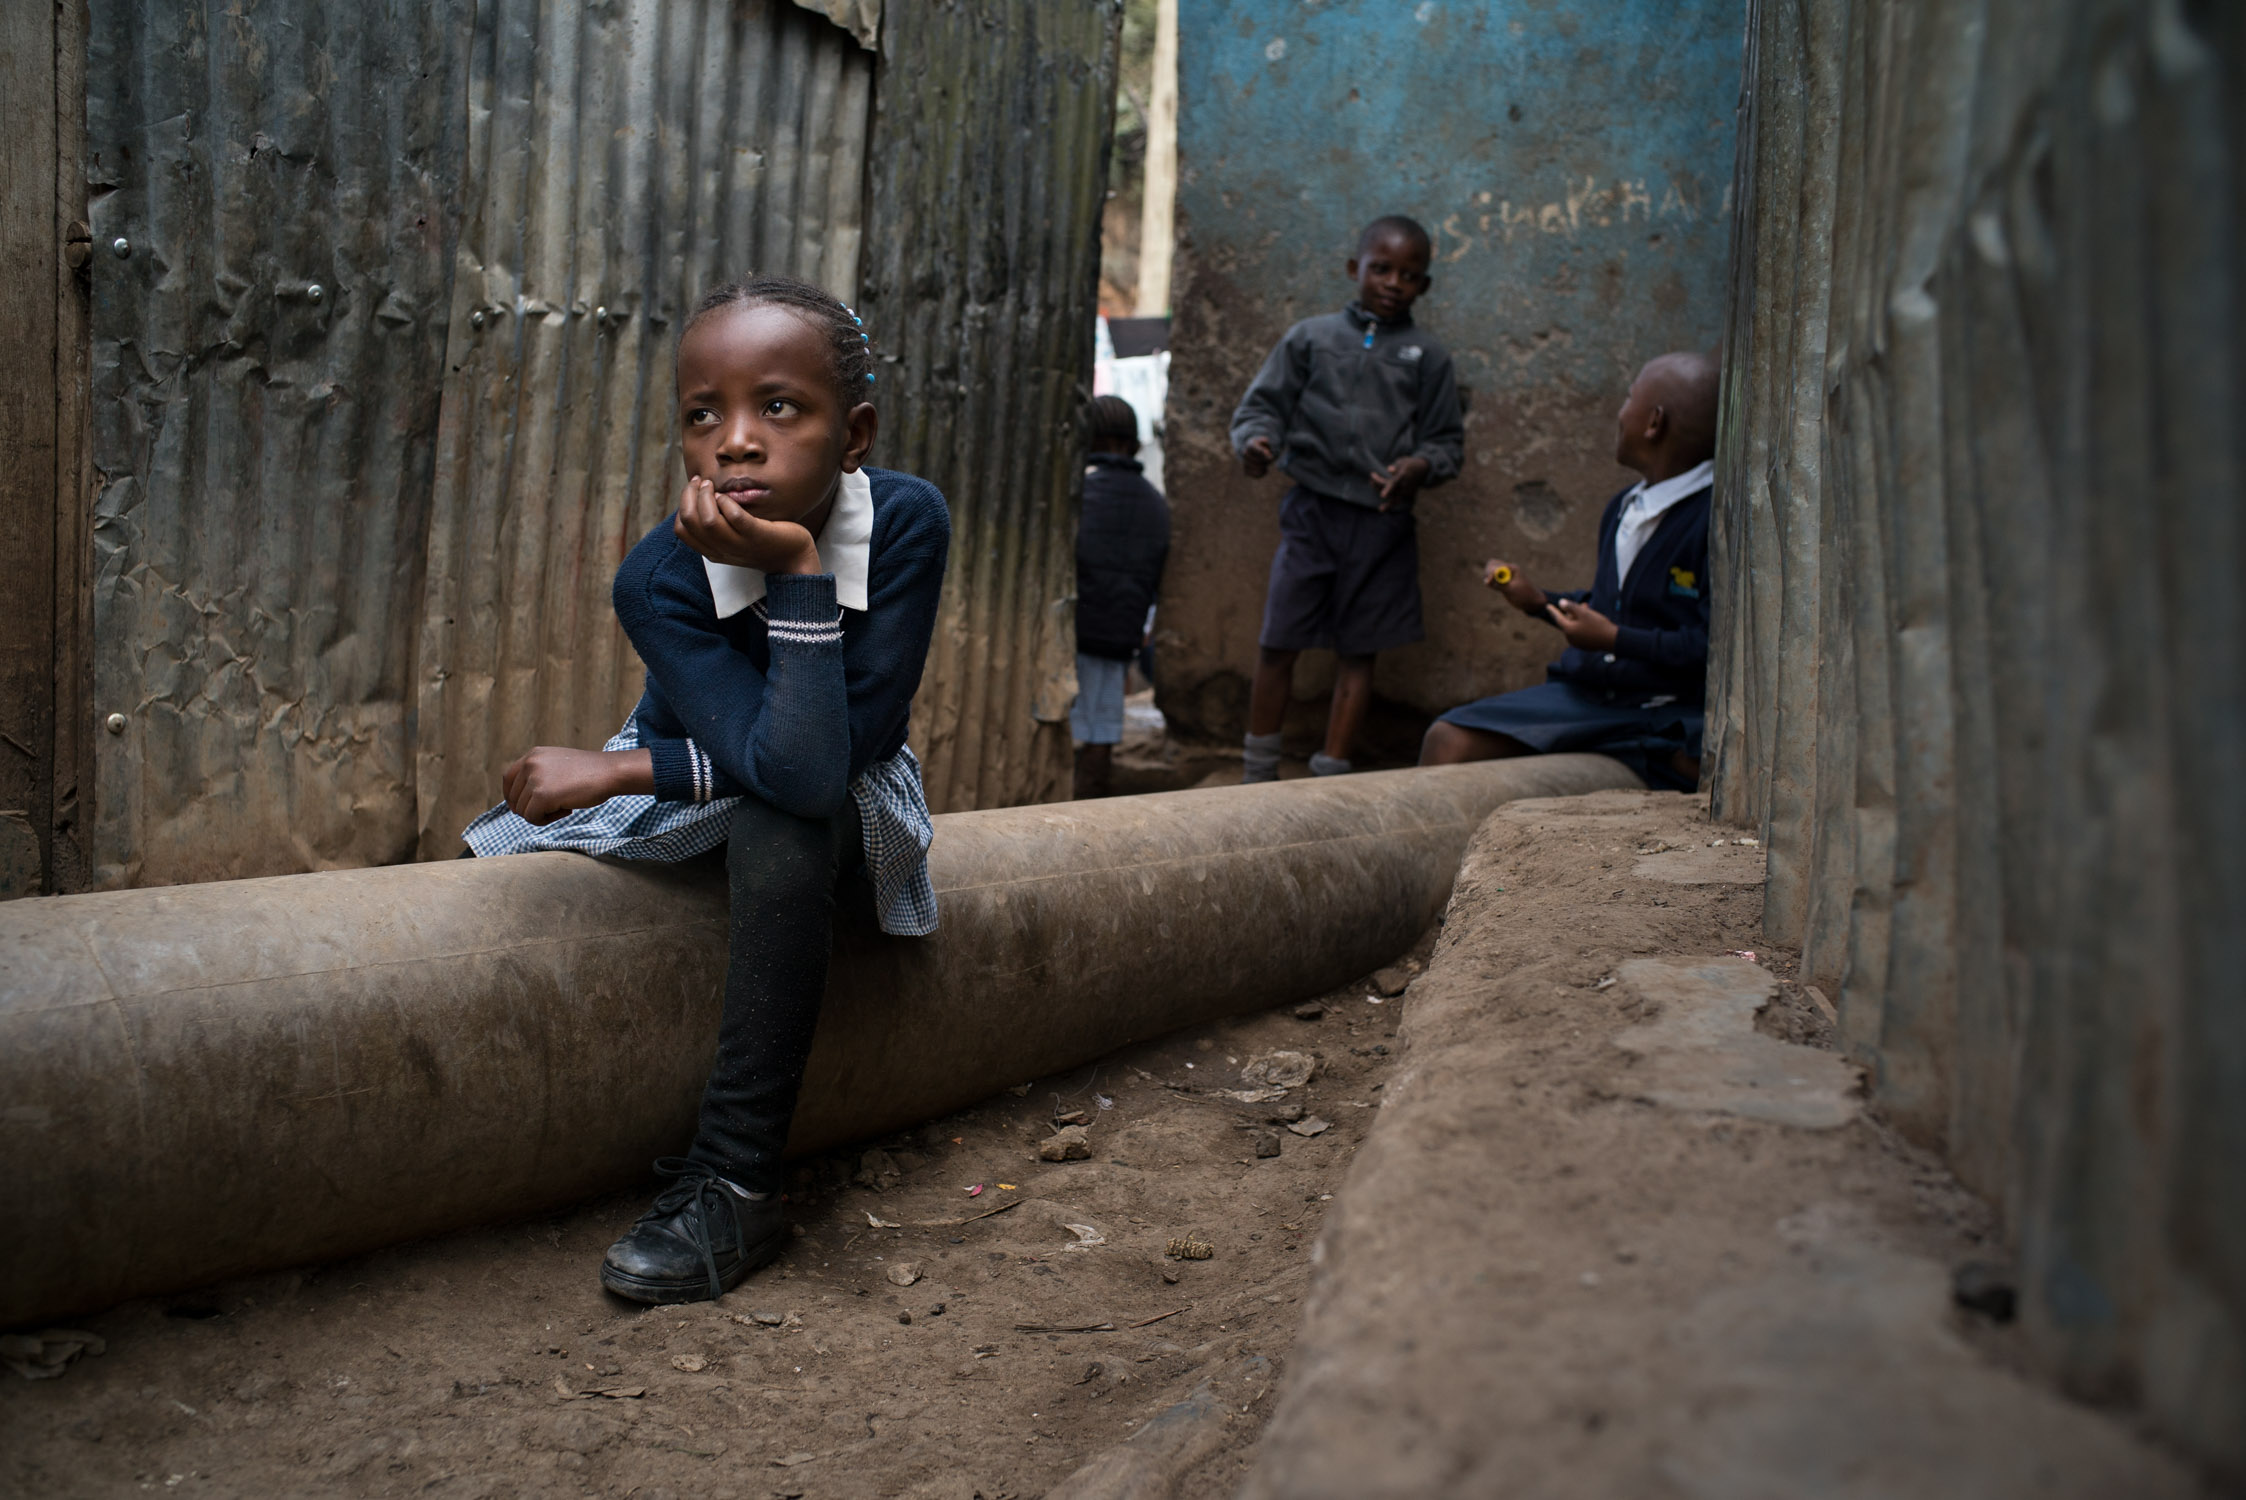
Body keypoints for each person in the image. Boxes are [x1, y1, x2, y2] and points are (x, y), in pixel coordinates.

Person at [457, 276, 951, 1304]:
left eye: (778, 407)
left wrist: (798, 574)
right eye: (702, 414)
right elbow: (764, 753)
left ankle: (734, 1180)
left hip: (839, 790)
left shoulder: (903, 522)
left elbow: (821, 770)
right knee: (506, 864)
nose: (734, 441)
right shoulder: (659, 581)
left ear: (852, 434)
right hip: (702, 782)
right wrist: (647, 772)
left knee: (784, 825)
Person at [1229, 214, 1465, 782]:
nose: (1392, 283)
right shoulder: (1310, 338)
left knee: (1359, 652)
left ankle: (1332, 773)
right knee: (1278, 641)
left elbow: (1447, 444)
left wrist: (1419, 465)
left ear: (1423, 287)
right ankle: (1257, 770)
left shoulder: (1427, 357)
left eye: (1409, 275)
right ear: (1354, 268)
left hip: (1382, 522)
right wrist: (1256, 443)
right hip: (1311, 512)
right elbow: (1261, 409)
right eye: (1381, 269)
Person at [1420, 351, 1718, 789]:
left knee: (1695, 763)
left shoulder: (1715, 518)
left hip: (1669, 708)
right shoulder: (1624, 506)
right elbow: (1610, 611)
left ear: (1654, 423)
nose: (1620, 413)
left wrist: (1615, 639)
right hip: (1591, 698)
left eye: (1628, 399)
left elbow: (1711, 647)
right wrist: (1539, 602)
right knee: (1448, 741)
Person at [1072, 394, 1170, 798]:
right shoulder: (1156, 504)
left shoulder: (1080, 495)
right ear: (1132, 445)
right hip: (1119, 635)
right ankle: (1093, 799)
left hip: (1077, 630)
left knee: (1064, 720)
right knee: (1104, 725)